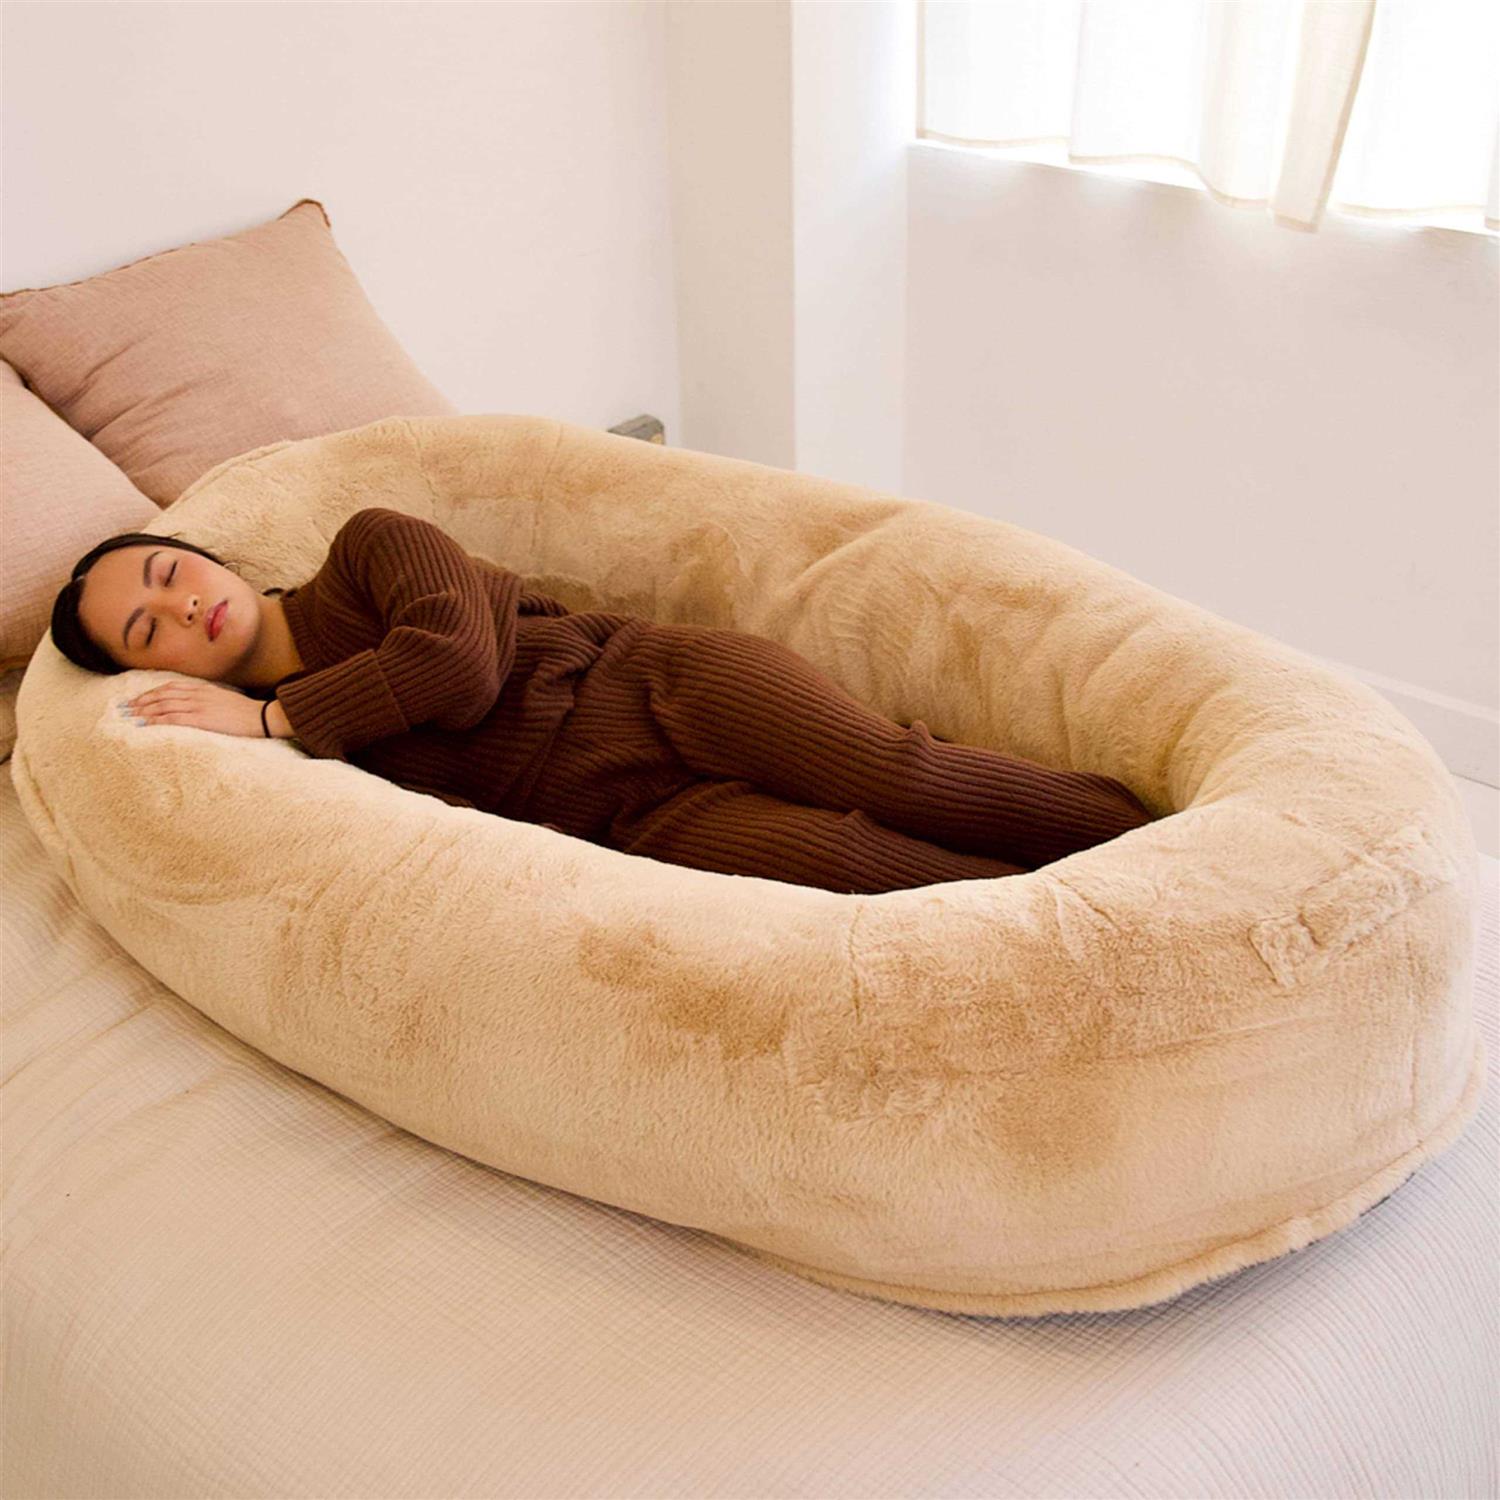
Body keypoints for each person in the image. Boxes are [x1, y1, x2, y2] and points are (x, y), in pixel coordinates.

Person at [53, 507, 1155, 896]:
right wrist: (275, 733)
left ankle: (1158, 849)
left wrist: (279, 718)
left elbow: (456, 666)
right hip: (629, 820)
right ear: (158, 675)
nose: (179, 604)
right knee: (855, 868)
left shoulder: (367, 550)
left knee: (899, 774)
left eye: (168, 571)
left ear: (204, 556)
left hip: (664, 687)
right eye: (146, 631)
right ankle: (1098, 928)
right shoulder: (276, 760)